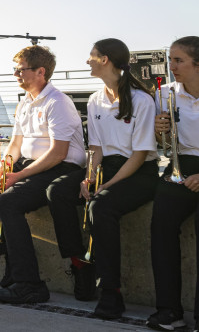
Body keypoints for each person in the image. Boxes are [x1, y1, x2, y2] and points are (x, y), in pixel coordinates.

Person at [0, 45, 86, 304]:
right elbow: (15, 146)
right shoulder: (24, 102)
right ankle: (12, 261)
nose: (16, 75)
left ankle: (30, 285)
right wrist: (4, 169)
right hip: (30, 165)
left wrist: (18, 177)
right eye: (15, 70)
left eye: (20, 70)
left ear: (41, 72)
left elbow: (58, 153)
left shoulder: (58, 102)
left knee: (7, 201)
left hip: (58, 168)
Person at [50, 38, 158, 319]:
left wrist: (106, 186)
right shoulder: (96, 99)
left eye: (92, 55)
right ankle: (80, 265)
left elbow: (139, 155)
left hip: (139, 172)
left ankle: (111, 293)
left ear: (105, 60)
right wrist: (89, 179)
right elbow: (95, 149)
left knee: (101, 206)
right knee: (58, 192)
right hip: (106, 167)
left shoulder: (142, 100)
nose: (87, 60)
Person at [148, 36, 199, 332]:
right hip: (183, 163)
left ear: (198, 65)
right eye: (171, 59)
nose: (172, 66)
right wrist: (159, 130)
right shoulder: (166, 92)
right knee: (161, 221)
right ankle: (169, 311)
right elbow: (162, 144)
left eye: (179, 61)